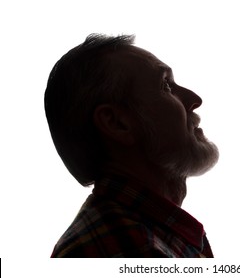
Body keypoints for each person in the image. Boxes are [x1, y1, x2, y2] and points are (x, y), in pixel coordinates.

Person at [44, 34, 219, 258]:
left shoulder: (145, 238)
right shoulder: (126, 249)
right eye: (165, 85)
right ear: (117, 123)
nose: (194, 98)